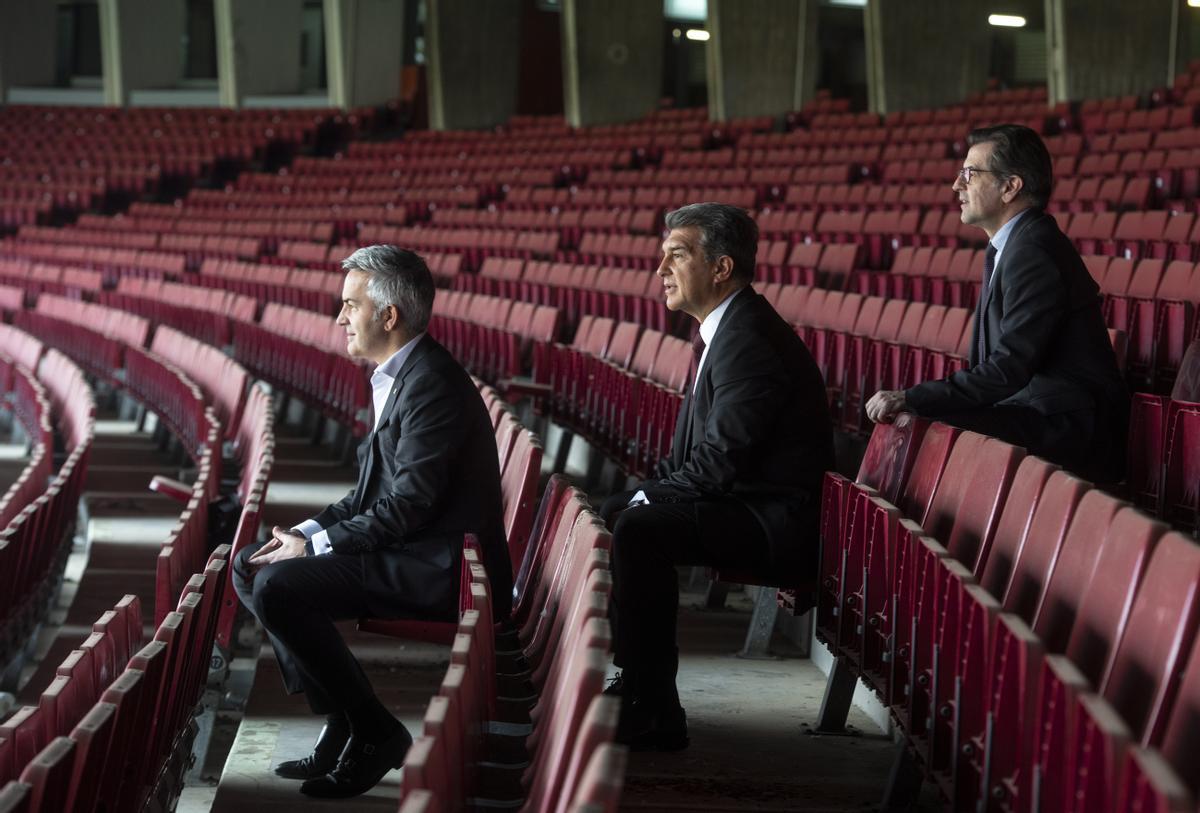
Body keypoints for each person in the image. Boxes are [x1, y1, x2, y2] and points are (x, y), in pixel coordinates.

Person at [232, 245, 511, 799]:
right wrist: (305, 536)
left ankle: (375, 730)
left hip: (438, 565)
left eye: (349, 305)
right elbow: (366, 496)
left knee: (280, 587)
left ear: (389, 315)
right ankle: (343, 713)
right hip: (414, 550)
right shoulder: (402, 375)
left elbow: (407, 506)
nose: (339, 318)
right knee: (250, 567)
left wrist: (312, 553)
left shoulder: (431, 384)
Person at [600, 202, 835, 751]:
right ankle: (636, 680)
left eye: (676, 256)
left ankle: (656, 707)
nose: (660, 270)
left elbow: (719, 464)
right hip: (746, 502)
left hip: (773, 518)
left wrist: (641, 499)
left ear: (721, 268)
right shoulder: (724, 330)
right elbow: (695, 460)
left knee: (637, 528)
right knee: (621, 513)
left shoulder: (749, 339)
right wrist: (638, 494)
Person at [866, 124, 1129, 483]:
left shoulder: (1033, 250)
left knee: (923, 422)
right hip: (1037, 409)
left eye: (970, 174)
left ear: (1010, 187)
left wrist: (913, 397)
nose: (957, 186)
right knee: (920, 420)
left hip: (1067, 426)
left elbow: (1008, 368)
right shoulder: (1016, 244)